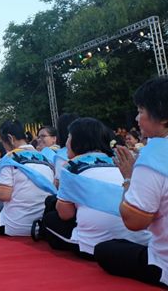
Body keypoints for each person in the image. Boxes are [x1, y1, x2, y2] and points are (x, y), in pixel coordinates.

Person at [95, 78, 168, 286]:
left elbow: (134, 222)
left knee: (106, 250)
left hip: (163, 264)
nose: (137, 118)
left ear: (162, 117)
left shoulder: (154, 157)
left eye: (141, 111)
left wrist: (128, 178)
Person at [41, 118, 149, 258]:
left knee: (51, 218)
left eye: (69, 137)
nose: (66, 143)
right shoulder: (119, 162)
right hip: (140, 238)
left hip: (94, 244)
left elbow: (65, 214)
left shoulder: (71, 167)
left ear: (78, 141)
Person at [0, 120, 55, 236]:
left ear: (10, 138)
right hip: (42, 223)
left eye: (3, 142)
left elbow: (4, 195)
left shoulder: (9, 158)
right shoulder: (45, 157)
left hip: (17, 225)